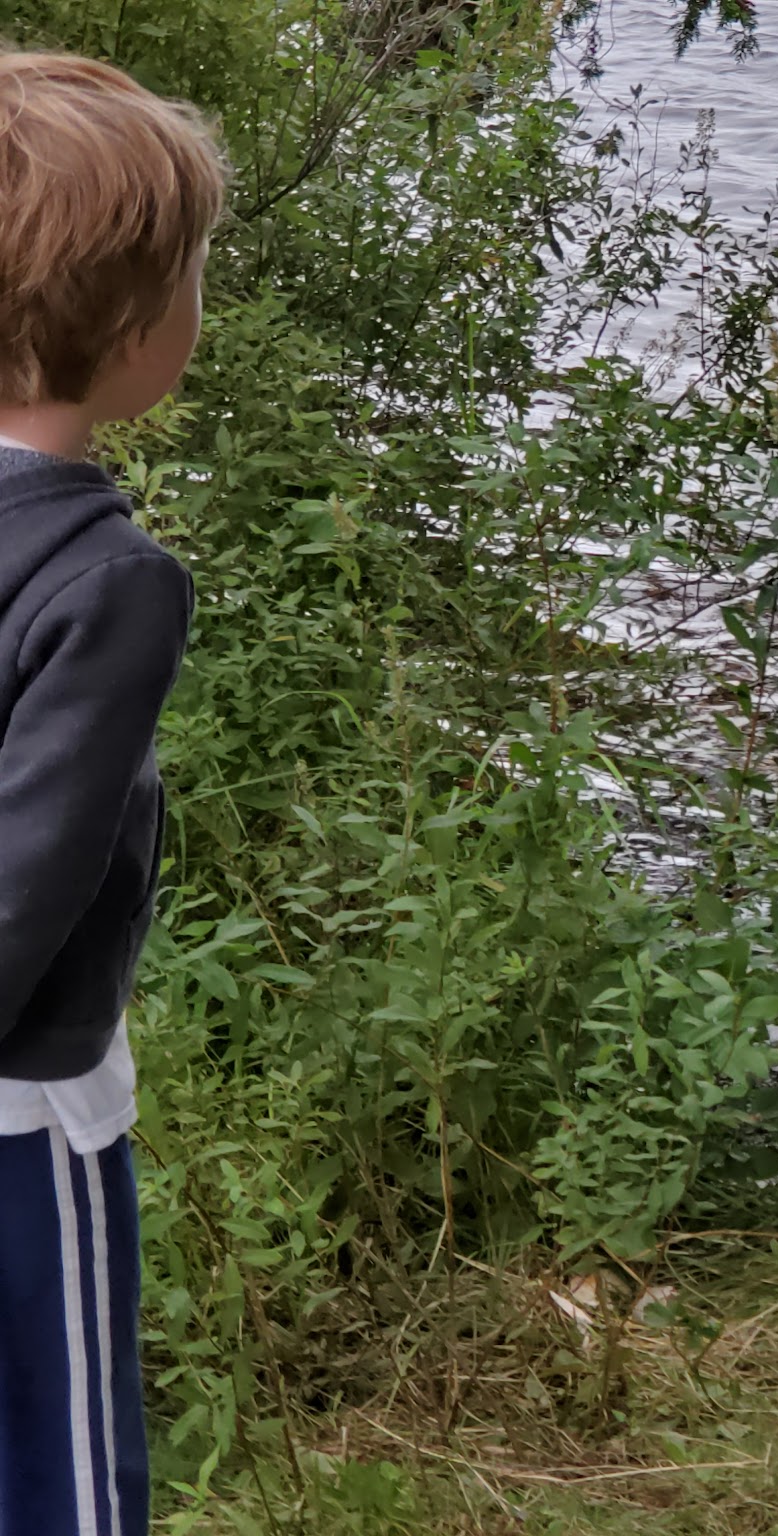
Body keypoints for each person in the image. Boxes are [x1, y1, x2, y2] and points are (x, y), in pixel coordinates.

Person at [0, 50, 226, 1536]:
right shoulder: (113, 581)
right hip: (27, 1118)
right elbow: (26, 878)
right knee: (60, 1469)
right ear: (142, 330)